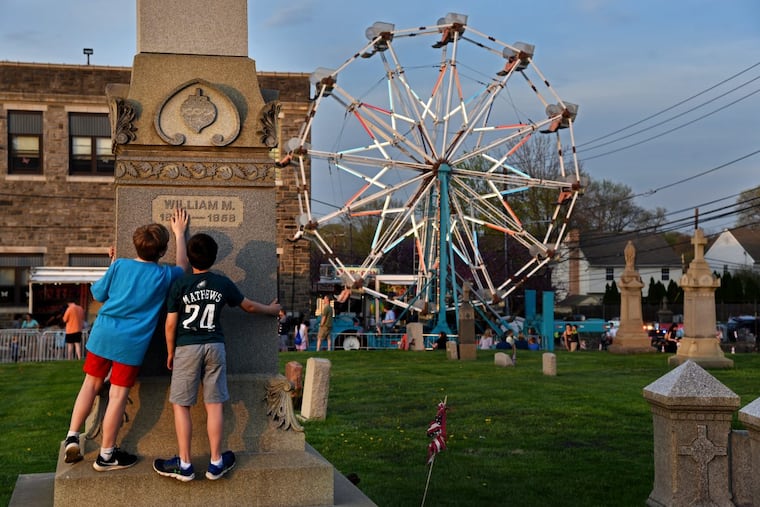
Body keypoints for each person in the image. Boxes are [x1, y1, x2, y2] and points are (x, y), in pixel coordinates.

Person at [62, 208, 190, 470]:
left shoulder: (119, 265)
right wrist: (180, 233)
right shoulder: (164, 275)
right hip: (131, 344)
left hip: (103, 335)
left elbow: (99, 294)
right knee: (118, 395)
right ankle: (106, 455)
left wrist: (112, 264)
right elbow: (183, 267)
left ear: (135, 244)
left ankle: (73, 437)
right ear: (162, 251)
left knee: (90, 385)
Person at [152, 233, 280, 482]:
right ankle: (215, 462)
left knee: (182, 404)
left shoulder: (180, 285)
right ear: (215, 257)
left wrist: (170, 352)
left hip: (187, 348)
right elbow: (249, 306)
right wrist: (271, 310)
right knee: (214, 404)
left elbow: (170, 324)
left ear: (189, 259)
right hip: (215, 346)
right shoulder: (222, 283)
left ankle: (185, 464)